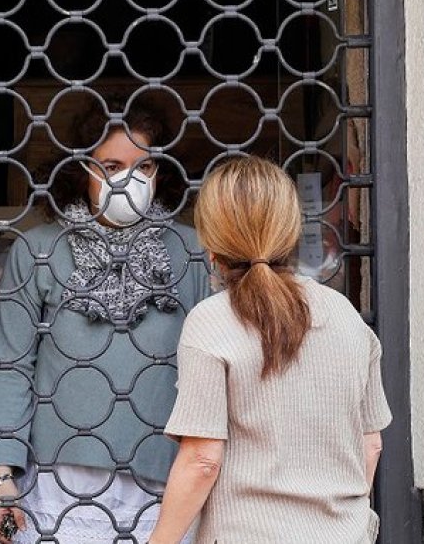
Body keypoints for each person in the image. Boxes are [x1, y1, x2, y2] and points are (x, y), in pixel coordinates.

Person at [0, 102, 213, 543]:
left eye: (143, 165)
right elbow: (10, 368)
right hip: (58, 486)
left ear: (159, 171)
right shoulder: (39, 250)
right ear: (83, 170)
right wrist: (2, 479)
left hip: (164, 481)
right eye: (111, 165)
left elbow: (213, 375)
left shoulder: (192, 252)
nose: (128, 178)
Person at [148, 156, 392, 544]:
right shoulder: (345, 315)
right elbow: (371, 442)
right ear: (290, 229)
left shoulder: (212, 320)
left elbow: (202, 460)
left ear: (210, 241)